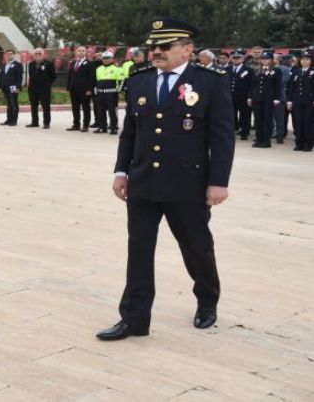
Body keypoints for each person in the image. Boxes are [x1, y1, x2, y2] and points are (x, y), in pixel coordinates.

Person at [99, 18, 233, 341]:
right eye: (153, 47)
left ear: (187, 50)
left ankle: (207, 298)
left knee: (196, 246)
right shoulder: (139, 81)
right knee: (139, 249)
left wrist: (218, 181)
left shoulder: (210, 82)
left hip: (188, 183)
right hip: (143, 180)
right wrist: (121, 171)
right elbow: (130, 132)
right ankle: (134, 318)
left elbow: (222, 136)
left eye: (164, 46)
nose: (156, 52)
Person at [248, 51, 281, 149]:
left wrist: (277, 98)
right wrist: (250, 97)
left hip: (269, 99)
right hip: (257, 98)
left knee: (267, 120)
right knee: (258, 120)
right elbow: (252, 85)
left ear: (271, 60)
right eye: (262, 59)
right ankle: (258, 140)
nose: (264, 60)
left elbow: (278, 86)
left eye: (266, 59)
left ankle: (266, 141)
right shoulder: (257, 70)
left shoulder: (276, 70)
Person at [287, 51, 314, 151]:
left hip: (309, 101)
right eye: (302, 59)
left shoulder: (313, 71)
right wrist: (289, 101)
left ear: (311, 61)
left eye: (307, 59)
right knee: (298, 123)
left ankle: (308, 144)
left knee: (307, 123)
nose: (304, 61)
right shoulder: (296, 72)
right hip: (297, 101)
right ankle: (299, 143)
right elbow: (291, 88)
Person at [93, 50, 123, 134]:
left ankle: (114, 127)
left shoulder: (117, 69)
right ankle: (102, 127)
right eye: (104, 58)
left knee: (112, 111)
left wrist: (119, 91)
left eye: (108, 58)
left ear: (112, 58)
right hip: (100, 93)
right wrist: (96, 89)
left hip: (112, 94)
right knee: (100, 111)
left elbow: (121, 81)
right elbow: (97, 80)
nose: (106, 60)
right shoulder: (98, 69)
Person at [66, 46, 95, 131]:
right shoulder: (72, 63)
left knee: (86, 108)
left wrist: (90, 89)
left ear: (86, 52)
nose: (81, 52)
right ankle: (76, 124)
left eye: (83, 51)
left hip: (85, 90)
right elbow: (70, 76)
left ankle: (85, 125)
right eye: (79, 51)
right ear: (76, 52)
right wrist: (69, 87)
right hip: (73, 89)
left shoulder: (90, 63)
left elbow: (91, 78)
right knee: (75, 108)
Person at [26, 47, 56, 129]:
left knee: (46, 106)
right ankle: (34, 122)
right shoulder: (31, 64)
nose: (38, 55)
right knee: (33, 106)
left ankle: (46, 123)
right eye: (36, 53)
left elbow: (53, 76)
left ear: (43, 54)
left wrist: (47, 84)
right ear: (34, 55)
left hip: (45, 89)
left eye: (40, 53)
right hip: (33, 89)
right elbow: (31, 75)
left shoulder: (49, 64)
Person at [228, 50, 252, 141]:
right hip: (230, 96)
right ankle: (232, 131)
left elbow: (251, 84)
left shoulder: (248, 70)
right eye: (234, 58)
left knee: (244, 115)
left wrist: (250, 96)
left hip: (243, 96)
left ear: (243, 59)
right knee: (231, 115)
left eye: (238, 58)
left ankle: (244, 132)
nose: (236, 60)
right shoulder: (228, 69)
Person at [273, 54, 293, 143]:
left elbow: (283, 82)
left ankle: (280, 135)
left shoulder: (284, 69)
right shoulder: (265, 68)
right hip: (267, 96)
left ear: (278, 59)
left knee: (279, 118)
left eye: (273, 58)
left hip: (280, 96)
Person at [0, 49, 23, 126]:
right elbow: (2, 76)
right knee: (8, 104)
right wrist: (1, 86)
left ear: (14, 55)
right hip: (5, 87)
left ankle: (14, 121)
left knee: (14, 104)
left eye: (11, 54)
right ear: (6, 55)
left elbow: (19, 77)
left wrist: (18, 87)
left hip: (13, 87)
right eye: (7, 54)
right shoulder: (4, 64)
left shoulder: (18, 65)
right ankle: (8, 119)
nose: (9, 55)